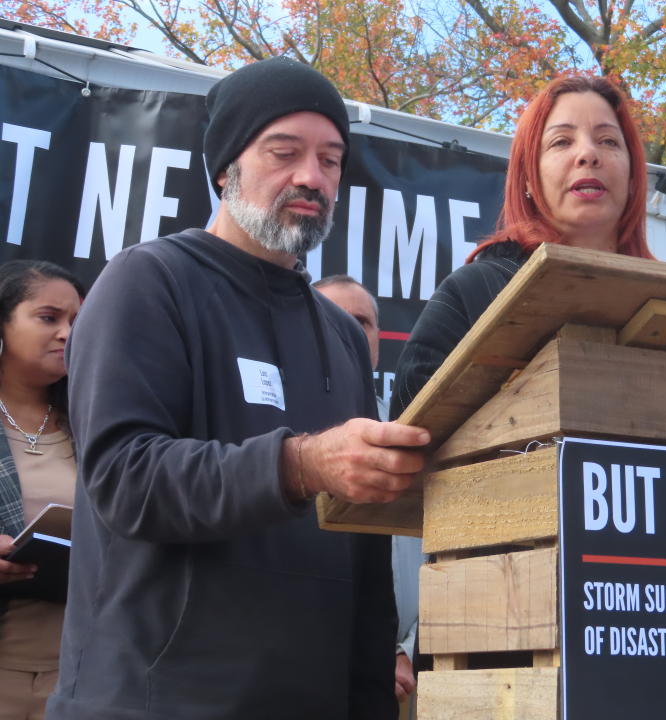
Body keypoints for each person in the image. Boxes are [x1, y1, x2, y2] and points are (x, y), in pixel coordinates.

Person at [46, 57, 430, 720]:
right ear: (226, 168)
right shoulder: (147, 283)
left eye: (331, 160)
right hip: (152, 702)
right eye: (284, 152)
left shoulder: (340, 335)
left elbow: (366, 556)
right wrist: (300, 464)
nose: (312, 177)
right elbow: (123, 478)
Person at [390, 75, 654, 418]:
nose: (588, 154)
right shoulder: (473, 294)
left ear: (634, 177)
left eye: (608, 141)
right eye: (561, 142)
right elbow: (409, 438)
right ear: (528, 176)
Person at [312, 275, 424, 718]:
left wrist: (403, 649)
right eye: (334, 317)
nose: (351, 330)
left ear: (379, 340)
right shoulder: (274, 428)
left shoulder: (410, 430)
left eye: (363, 321)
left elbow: (423, 553)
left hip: (402, 674)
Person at [0, 261, 83, 720]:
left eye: (77, 321)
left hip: (82, 674)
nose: (67, 334)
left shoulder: (95, 422)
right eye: (49, 318)